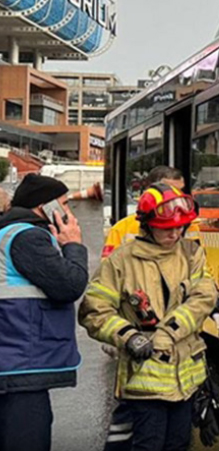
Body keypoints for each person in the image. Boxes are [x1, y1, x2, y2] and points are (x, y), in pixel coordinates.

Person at [79, 184, 218, 451]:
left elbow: (204, 296)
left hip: (186, 380)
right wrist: (127, 336)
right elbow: (93, 309)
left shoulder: (191, 253)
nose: (176, 234)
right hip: (145, 381)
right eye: (168, 228)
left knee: (178, 444)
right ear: (147, 225)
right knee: (148, 445)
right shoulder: (121, 261)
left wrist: (167, 333)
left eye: (181, 227)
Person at [0, 174, 88, 451]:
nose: (68, 212)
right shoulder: (27, 237)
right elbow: (70, 284)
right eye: (63, 203)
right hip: (19, 367)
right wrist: (73, 244)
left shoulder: (8, 232)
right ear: (45, 207)